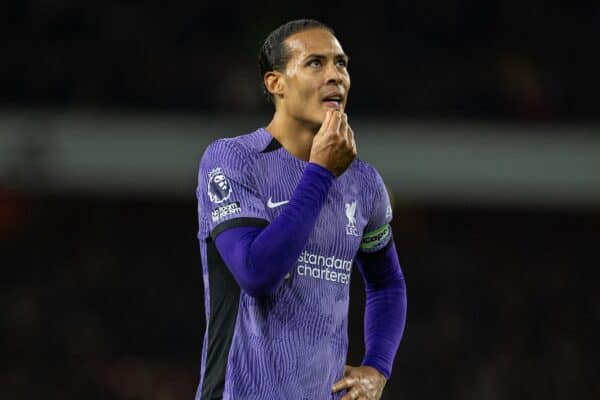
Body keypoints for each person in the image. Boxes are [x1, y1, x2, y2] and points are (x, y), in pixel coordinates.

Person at [195, 19, 407, 400]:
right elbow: (257, 273)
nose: (335, 76)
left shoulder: (363, 183)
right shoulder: (233, 160)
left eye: (341, 63)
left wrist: (378, 367)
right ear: (275, 83)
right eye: (315, 63)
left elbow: (387, 283)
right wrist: (321, 173)